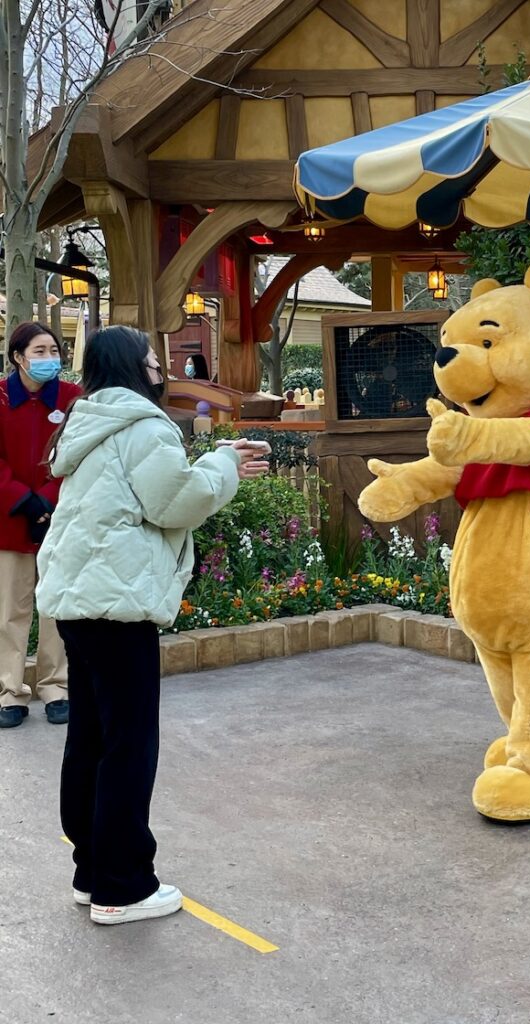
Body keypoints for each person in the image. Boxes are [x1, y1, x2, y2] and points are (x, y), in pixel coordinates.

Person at [36, 325, 270, 925]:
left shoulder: (89, 421)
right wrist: (223, 464)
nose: (161, 369)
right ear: (134, 368)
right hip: (119, 605)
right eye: (153, 362)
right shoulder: (141, 424)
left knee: (90, 738)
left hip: (77, 603)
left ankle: (93, 871)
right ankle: (123, 885)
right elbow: (176, 503)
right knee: (128, 745)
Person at [0, 323, 81, 729]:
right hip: (9, 521)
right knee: (9, 611)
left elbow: (77, 452)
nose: (49, 358)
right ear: (18, 356)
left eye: (54, 350)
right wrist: (22, 499)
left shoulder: (72, 399)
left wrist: (47, 500)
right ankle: (9, 692)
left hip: (59, 517)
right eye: (39, 350)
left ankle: (56, 687)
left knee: (55, 609)